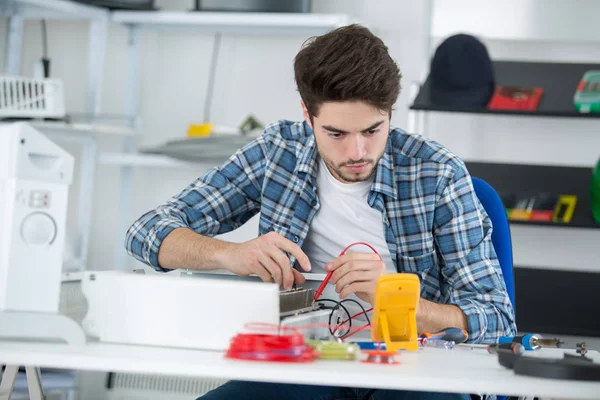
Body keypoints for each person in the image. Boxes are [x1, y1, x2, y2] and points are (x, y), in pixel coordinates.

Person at [125, 24, 516, 400]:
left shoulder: (437, 172)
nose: (357, 152)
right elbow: (144, 233)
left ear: (391, 113)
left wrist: (396, 297)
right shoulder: (278, 152)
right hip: (304, 365)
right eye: (336, 134)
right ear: (307, 114)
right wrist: (229, 253)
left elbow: (496, 320)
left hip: (415, 370)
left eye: (372, 130)